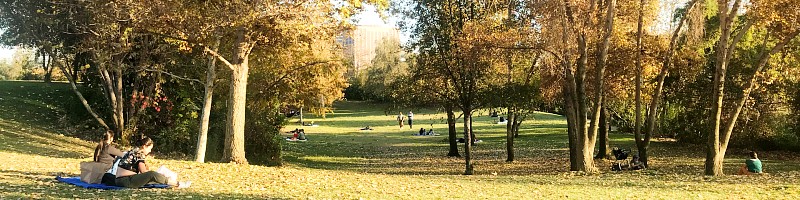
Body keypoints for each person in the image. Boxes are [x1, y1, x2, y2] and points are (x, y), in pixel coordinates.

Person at [104, 137, 187, 188]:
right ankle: (177, 184)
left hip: (120, 180)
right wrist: (158, 175)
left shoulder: (134, 151)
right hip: (125, 181)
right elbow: (144, 172)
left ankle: (166, 180)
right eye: (149, 148)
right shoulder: (139, 154)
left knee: (152, 175)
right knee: (152, 174)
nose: (150, 151)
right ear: (144, 146)